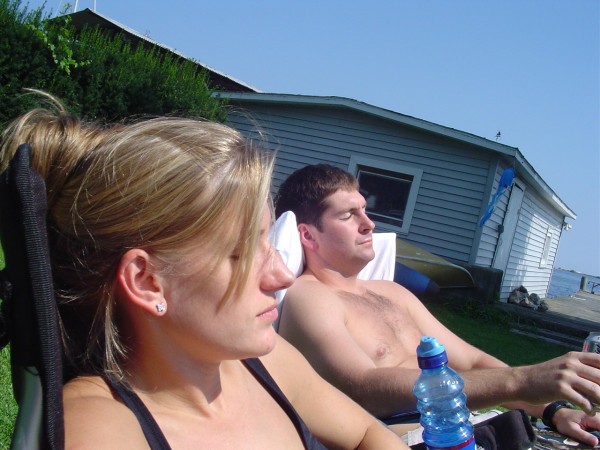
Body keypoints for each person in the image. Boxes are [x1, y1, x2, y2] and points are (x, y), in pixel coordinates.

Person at [0, 93, 409, 449]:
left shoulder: (262, 363)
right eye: (242, 253)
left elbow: (366, 435)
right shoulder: (101, 426)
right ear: (147, 281)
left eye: (268, 241)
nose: (283, 276)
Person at [274, 163, 600, 446]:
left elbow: (471, 360)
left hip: (471, 429)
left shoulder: (390, 292)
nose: (369, 223)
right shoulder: (310, 297)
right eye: (348, 215)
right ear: (308, 236)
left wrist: (554, 410)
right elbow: (364, 388)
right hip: (409, 440)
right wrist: (522, 381)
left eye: (364, 210)